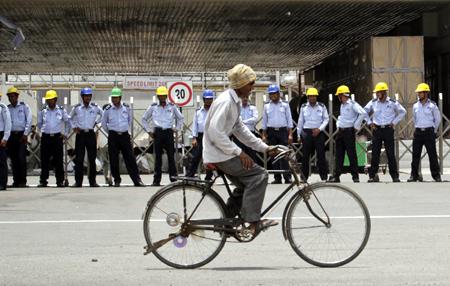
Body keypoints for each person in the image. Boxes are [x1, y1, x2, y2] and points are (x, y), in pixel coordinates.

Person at [203, 63, 278, 235]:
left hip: (221, 152)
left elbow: (240, 130)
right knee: (259, 175)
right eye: (251, 83)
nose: (252, 87)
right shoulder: (226, 102)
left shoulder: (234, 102)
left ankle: (226, 223)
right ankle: (253, 221)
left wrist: (265, 148)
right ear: (241, 84)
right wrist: (240, 152)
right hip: (219, 154)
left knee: (246, 183)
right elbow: (215, 132)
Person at [101, 87, 145, 187]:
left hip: (124, 136)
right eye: (113, 98)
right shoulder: (108, 110)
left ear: (120, 98)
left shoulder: (126, 108)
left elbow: (130, 120)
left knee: (130, 158)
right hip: (113, 136)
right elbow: (104, 123)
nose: (114, 99)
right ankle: (117, 180)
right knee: (113, 159)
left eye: (116, 97)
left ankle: (136, 180)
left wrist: (125, 130)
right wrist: (111, 132)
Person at [141, 86, 184, 186]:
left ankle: (173, 178)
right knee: (158, 158)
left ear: (166, 96)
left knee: (171, 157)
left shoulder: (172, 106)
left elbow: (180, 118)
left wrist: (177, 129)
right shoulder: (153, 107)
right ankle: (156, 180)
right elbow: (144, 119)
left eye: (163, 96)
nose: (162, 98)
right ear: (157, 96)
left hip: (168, 132)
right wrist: (149, 131)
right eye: (160, 96)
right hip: (158, 133)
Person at [364, 82, 406, 183]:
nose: (377, 94)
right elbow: (363, 111)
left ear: (384, 92)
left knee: (390, 153)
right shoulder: (373, 102)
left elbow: (403, 111)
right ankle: (372, 175)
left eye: (378, 92)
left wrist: (394, 122)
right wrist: (370, 123)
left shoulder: (392, 102)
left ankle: (394, 176)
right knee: (375, 153)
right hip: (377, 130)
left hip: (388, 129)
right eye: (377, 93)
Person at [328, 85, 366, 183]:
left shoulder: (352, 104)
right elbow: (341, 117)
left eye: (339, 95)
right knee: (339, 154)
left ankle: (355, 176)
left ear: (342, 95)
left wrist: (356, 125)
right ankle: (337, 176)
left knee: (351, 154)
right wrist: (338, 124)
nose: (338, 97)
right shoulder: (342, 105)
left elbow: (362, 113)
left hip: (349, 131)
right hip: (340, 132)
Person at [407, 83, 442, 182]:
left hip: (429, 132)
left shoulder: (432, 105)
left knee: (432, 154)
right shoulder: (415, 106)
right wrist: (417, 127)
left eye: (420, 93)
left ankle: (436, 175)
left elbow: (438, 119)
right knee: (415, 155)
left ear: (426, 93)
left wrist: (433, 130)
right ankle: (414, 175)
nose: (418, 94)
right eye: (418, 93)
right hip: (418, 132)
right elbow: (414, 118)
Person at [69, 87, 103, 187]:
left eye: (89, 96)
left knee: (92, 159)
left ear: (91, 97)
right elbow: (69, 118)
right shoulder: (77, 108)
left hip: (91, 134)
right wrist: (74, 127)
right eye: (85, 96)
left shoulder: (95, 107)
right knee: (79, 159)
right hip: (80, 135)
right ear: (82, 97)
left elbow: (103, 114)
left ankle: (92, 181)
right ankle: (78, 182)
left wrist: (97, 122)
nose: (87, 98)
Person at [37, 90, 71, 187]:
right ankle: (43, 180)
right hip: (46, 138)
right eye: (48, 100)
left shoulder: (61, 110)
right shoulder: (43, 111)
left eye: (51, 100)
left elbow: (68, 121)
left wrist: (66, 133)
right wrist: (41, 133)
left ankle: (59, 181)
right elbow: (39, 124)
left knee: (58, 160)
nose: (49, 102)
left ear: (55, 100)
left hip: (57, 137)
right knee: (44, 160)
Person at [261, 84, 293, 184]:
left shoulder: (285, 105)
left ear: (279, 94)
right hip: (271, 132)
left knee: (284, 154)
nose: (273, 95)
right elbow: (264, 121)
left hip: (283, 131)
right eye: (271, 94)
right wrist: (263, 134)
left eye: (275, 93)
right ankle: (277, 178)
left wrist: (290, 134)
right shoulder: (266, 106)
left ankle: (287, 177)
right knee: (273, 155)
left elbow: (289, 120)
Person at [297, 87, 329, 181]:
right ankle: (304, 177)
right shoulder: (303, 107)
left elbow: (326, 119)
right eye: (310, 96)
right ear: (308, 97)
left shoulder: (322, 106)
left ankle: (323, 177)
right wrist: (299, 135)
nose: (312, 98)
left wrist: (319, 129)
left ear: (316, 97)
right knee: (305, 156)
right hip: (307, 133)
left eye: (314, 96)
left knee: (321, 155)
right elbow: (300, 121)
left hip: (318, 133)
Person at [185, 89, 214, 180]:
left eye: (210, 99)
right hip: (200, 136)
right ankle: (190, 175)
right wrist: (194, 138)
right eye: (207, 99)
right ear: (203, 99)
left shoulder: (215, 111)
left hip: (211, 136)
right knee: (196, 156)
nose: (208, 101)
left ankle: (208, 177)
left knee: (210, 157)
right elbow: (195, 125)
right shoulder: (198, 112)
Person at [6, 87, 32, 187]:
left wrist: (25, 134)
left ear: (17, 96)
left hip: (22, 136)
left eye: (13, 96)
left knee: (21, 158)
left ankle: (22, 181)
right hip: (11, 136)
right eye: (9, 97)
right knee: (14, 159)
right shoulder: (7, 108)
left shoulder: (24, 107)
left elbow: (29, 120)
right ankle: (16, 181)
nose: (11, 98)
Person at [233, 94, 262, 165]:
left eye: (246, 97)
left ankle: (254, 170)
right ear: (240, 99)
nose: (245, 99)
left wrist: (243, 122)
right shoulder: (237, 108)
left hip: (250, 133)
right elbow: (235, 118)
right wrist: (243, 122)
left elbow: (255, 119)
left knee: (252, 152)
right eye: (243, 97)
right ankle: (240, 171)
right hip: (239, 134)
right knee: (239, 153)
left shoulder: (253, 108)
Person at [0, 91, 12, 191]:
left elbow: (8, 123)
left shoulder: (3, 108)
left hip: (1, 135)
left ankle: (2, 183)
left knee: (1, 161)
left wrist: (5, 138)